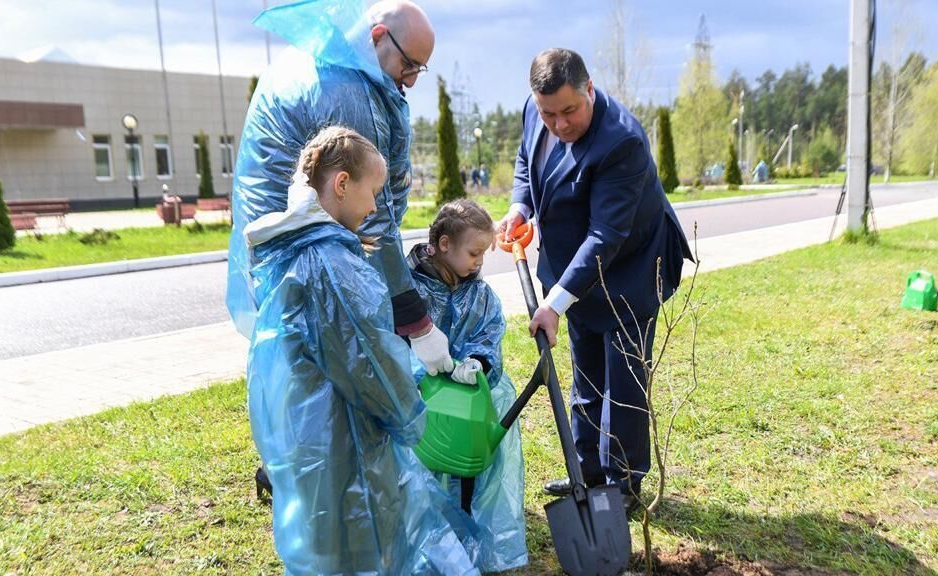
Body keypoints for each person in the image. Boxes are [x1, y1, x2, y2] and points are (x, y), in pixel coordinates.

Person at [243, 126, 477, 575]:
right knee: (359, 537)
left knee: (320, 539)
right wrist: (410, 415)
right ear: (342, 184)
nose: (374, 206)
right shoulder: (330, 264)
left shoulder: (292, 251)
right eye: (372, 191)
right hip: (342, 432)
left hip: (304, 427)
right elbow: (368, 359)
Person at [496, 48, 693, 513]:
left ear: (589, 88)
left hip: (629, 265)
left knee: (623, 382)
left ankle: (623, 487)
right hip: (574, 265)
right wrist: (519, 207)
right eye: (549, 113)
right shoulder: (535, 110)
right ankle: (585, 472)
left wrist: (555, 304)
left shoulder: (621, 140)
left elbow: (606, 236)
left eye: (569, 111)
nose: (559, 124)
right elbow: (526, 162)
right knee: (586, 373)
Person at [228, 0, 454, 376]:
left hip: (278, 263)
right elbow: (374, 218)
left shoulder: (322, 62)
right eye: (409, 64)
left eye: (420, 68)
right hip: (303, 263)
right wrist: (417, 323)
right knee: (337, 383)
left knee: (302, 369)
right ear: (378, 36)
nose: (412, 79)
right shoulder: (346, 92)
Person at [406, 199, 528, 573]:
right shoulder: (408, 291)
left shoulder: (479, 294)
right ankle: (425, 536)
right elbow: (392, 341)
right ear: (445, 245)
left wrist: (478, 362)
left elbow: (488, 334)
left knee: (471, 465)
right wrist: (425, 372)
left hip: (469, 403)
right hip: (422, 401)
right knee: (421, 471)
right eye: (474, 253)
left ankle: (472, 531)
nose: (479, 262)